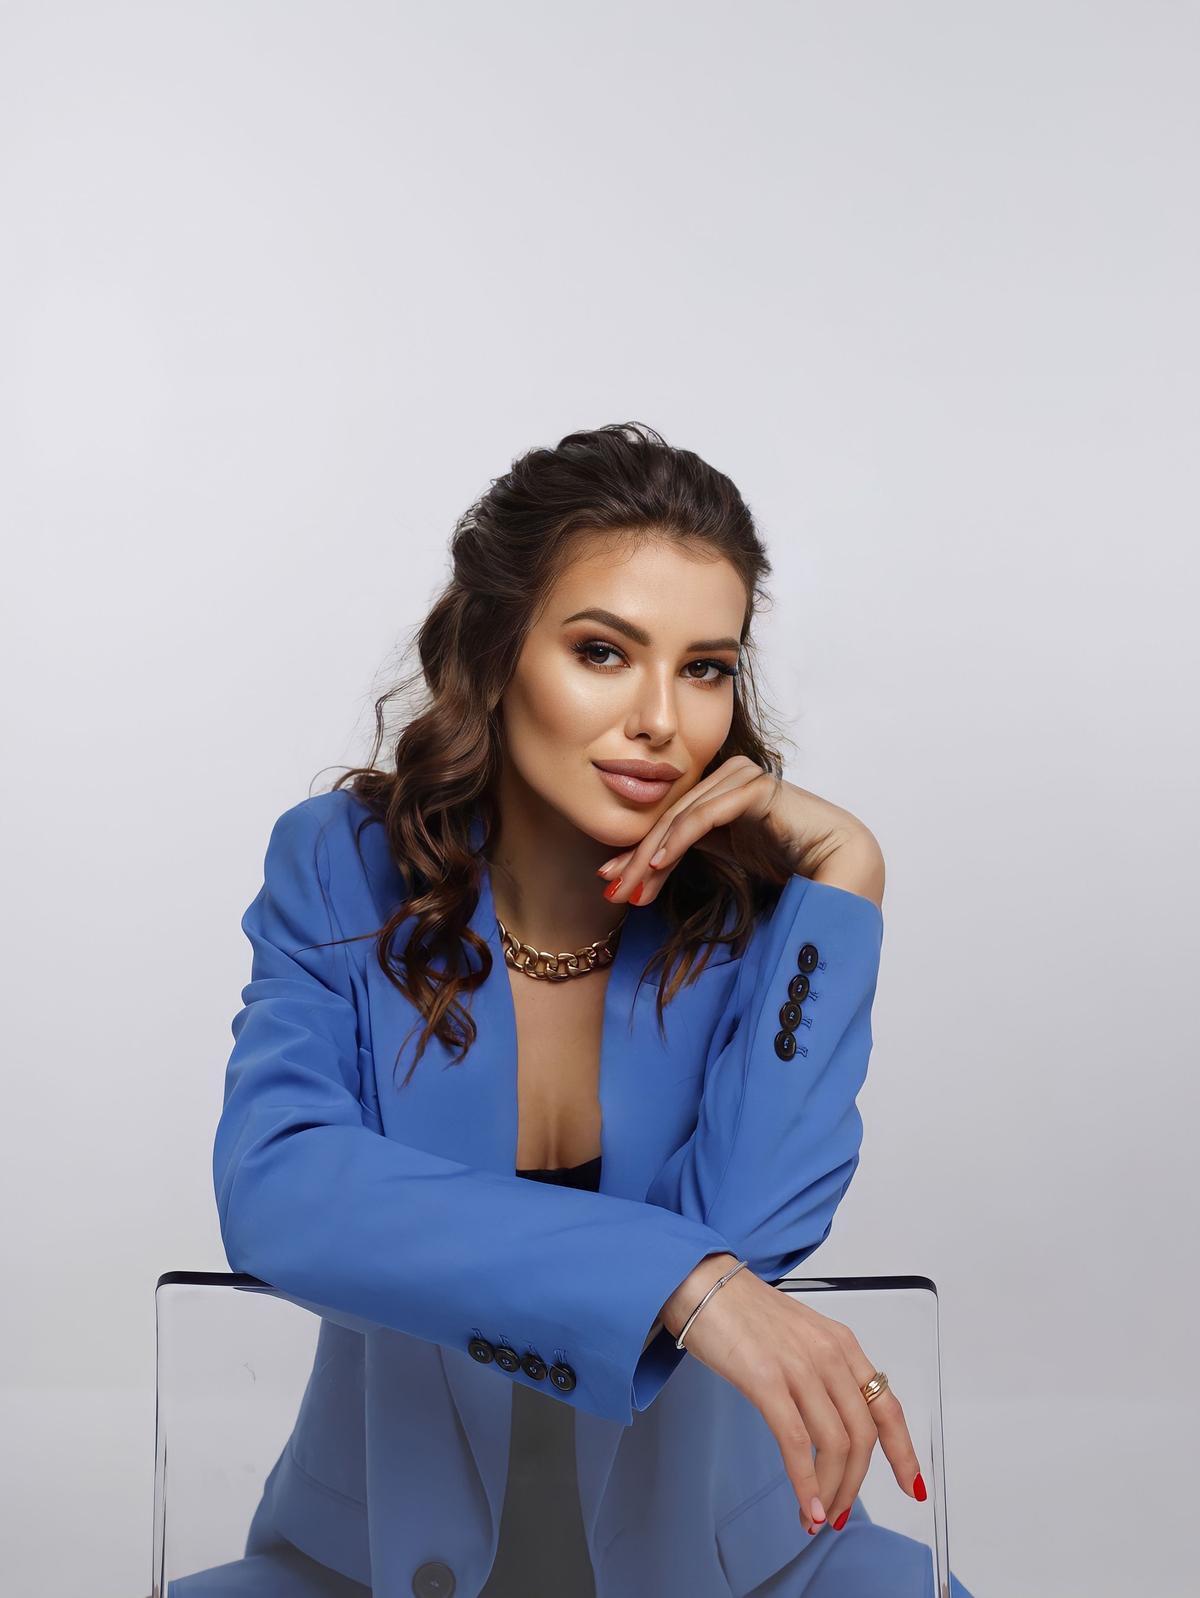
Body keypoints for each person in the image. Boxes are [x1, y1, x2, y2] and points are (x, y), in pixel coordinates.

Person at [188, 423, 976, 1596]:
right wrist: (680, 1281)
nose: (663, 718)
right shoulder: (341, 866)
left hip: (744, 1563)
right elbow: (281, 1188)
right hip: (368, 1562)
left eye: (705, 667)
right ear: (497, 651)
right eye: (604, 651)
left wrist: (847, 875)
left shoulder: (752, 911)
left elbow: (753, 1232)